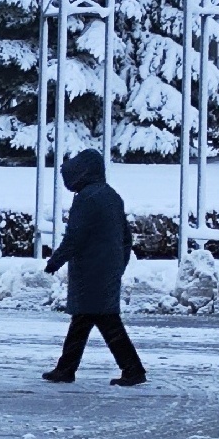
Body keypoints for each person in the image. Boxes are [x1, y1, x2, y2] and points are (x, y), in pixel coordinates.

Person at [41, 148, 147, 386]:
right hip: (107, 270)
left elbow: (75, 237)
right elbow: (126, 237)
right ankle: (67, 368)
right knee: (85, 320)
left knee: (103, 322)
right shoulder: (111, 195)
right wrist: (119, 264)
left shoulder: (86, 199)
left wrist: (55, 261)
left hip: (90, 272)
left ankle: (132, 369)